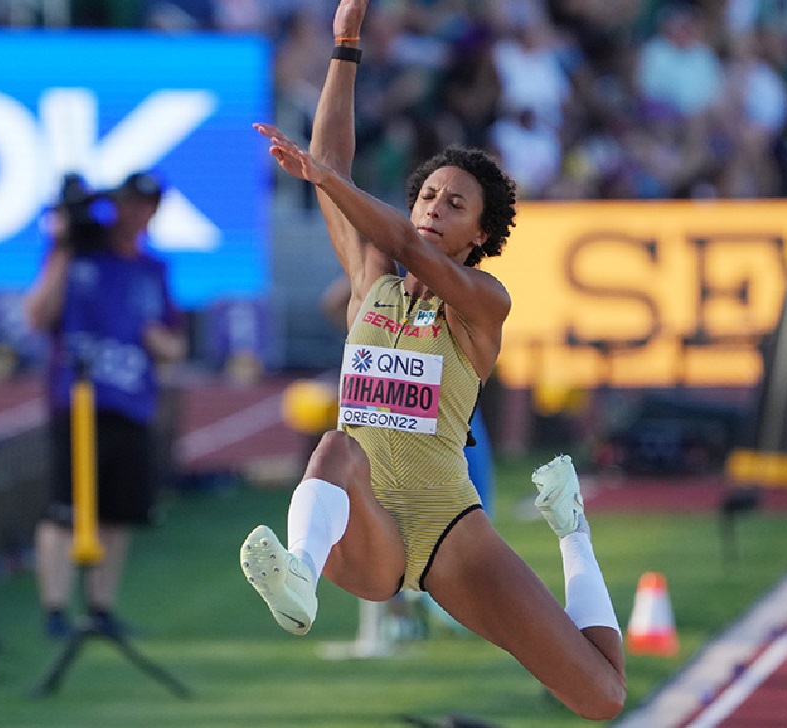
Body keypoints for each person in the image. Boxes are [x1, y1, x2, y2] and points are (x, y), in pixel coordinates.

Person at [238, 0, 625, 720]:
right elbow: (332, 161)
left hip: (449, 527)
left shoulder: (483, 302)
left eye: (453, 204)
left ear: (479, 235)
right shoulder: (368, 285)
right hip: (368, 530)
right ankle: (297, 574)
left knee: (599, 697)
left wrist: (326, 180)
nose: (431, 208)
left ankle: (572, 528)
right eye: (425, 195)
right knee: (333, 448)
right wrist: (345, 45)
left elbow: (380, 220)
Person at [24, 170, 187, 639]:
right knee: (63, 508)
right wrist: (62, 246)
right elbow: (36, 316)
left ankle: (100, 608)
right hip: (77, 400)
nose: (136, 214)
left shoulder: (152, 269)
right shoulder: (76, 258)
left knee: (118, 513)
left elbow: (174, 344)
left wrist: (161, 344)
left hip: (132, 401)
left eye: (146, 205)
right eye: (129, 204)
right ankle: (55, 610)